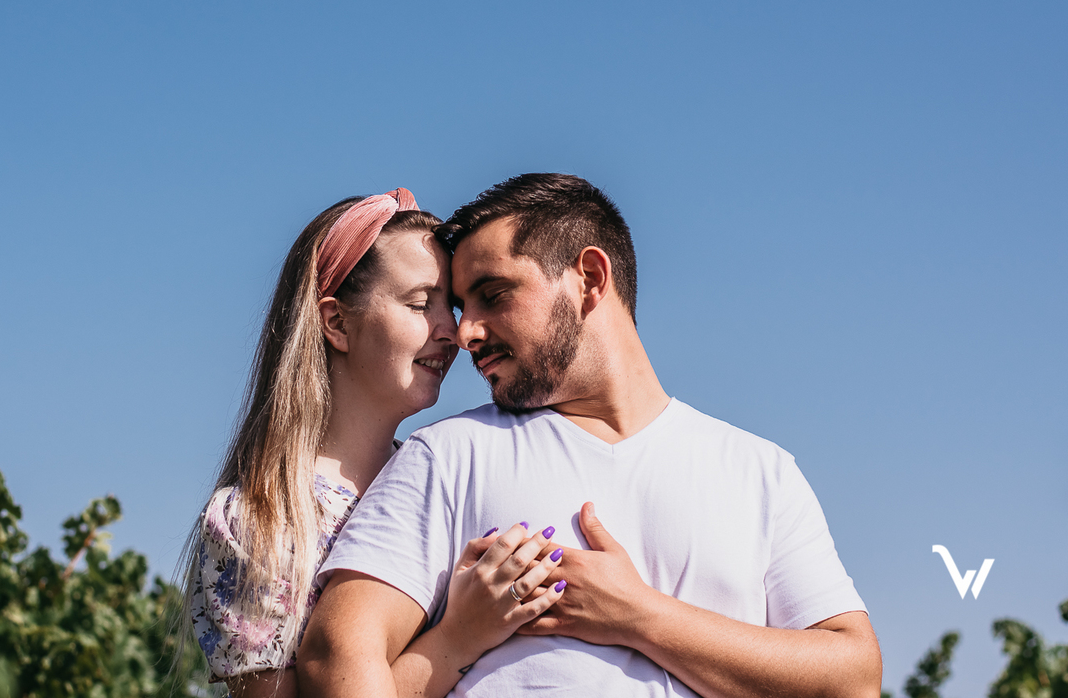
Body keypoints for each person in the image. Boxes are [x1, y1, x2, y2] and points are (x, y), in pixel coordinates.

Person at [298, 174, 883, 698]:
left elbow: (853, 677)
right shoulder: (449, 455)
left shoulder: (763, 472)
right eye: (458, 305)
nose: (465, 332)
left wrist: (638, 616)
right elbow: (338, 657)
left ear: (590, 278)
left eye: (494, 295)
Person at [182, 188, 567, 698]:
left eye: (446, 307)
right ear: (337, 323)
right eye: (418, 304)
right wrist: (460, 636)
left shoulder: (445, 475)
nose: (451, 332)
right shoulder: (262, 516)